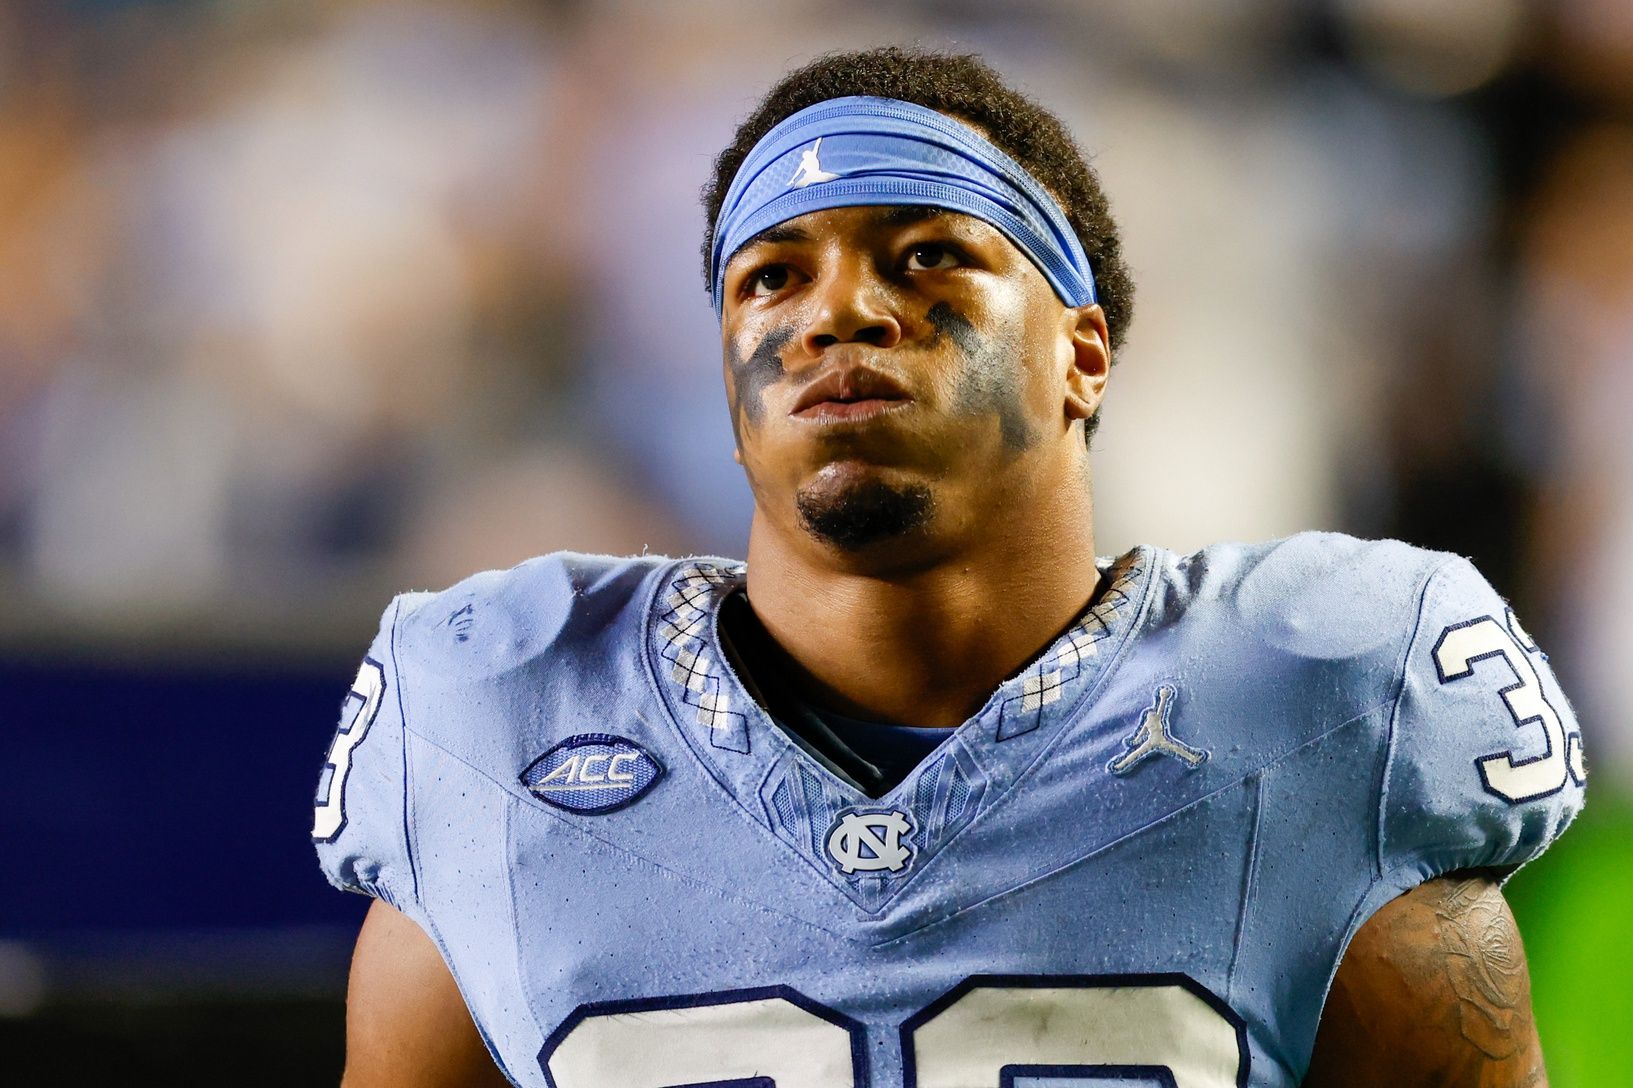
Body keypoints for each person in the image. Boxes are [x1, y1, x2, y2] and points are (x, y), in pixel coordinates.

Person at [313, 47, 1585, 1088]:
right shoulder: (498, 725)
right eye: (773, 275)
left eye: (925, 256)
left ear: (1083, 353)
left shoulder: (1325, 708)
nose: (837, 313)